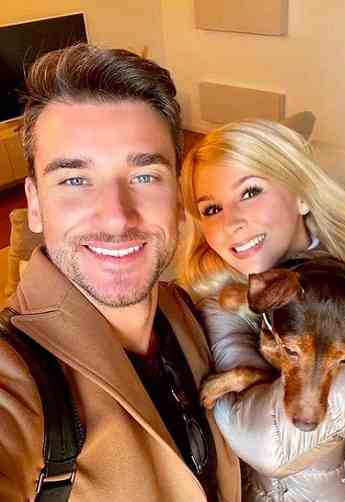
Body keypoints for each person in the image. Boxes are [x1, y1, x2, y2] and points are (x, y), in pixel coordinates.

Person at [0, 44, 240, 501]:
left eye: (145, 177)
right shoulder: (15, 376)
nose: (116, 217)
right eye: (74, 180)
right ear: (34, 204)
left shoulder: (188, 310)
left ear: (177, 197)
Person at [178, 120, 345, 501]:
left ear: (302, 196)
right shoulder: (222, 300)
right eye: (212, 208)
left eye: (250, 191)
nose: (232, 223)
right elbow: (267, 442)